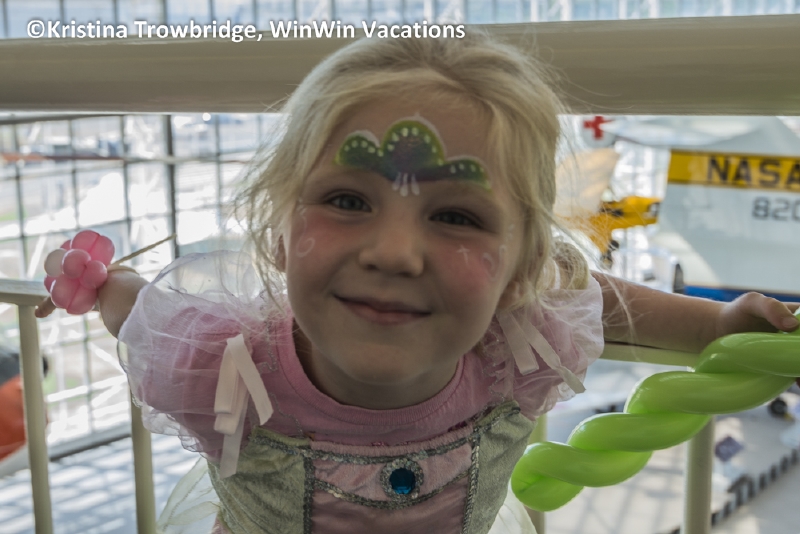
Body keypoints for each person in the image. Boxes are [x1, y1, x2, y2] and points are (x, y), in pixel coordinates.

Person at [38, 33, 798, 534]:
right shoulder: (217, 364)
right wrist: (101, 280)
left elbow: (595, 294)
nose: (396, 252)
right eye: (347, 201)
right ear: (277, 231)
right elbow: (139, 312)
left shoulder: (518, 342)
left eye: (457, 216)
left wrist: (714, 326)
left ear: (521, 269)